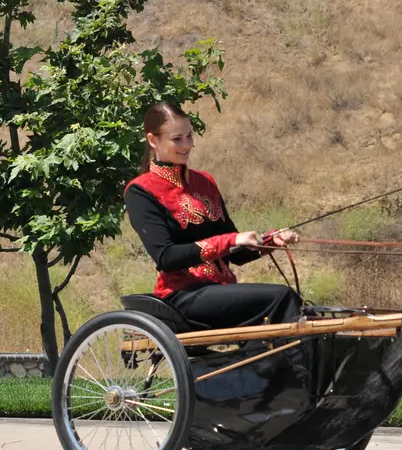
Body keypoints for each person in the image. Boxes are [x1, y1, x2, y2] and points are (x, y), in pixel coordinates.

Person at [124, 101, 304, 329]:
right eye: (177, 139)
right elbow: (166, 257)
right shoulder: (141, 191)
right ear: (153, 140)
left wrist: (270, 241)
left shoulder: (205, 182)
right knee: (282, 297)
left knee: (305, 309)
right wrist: (230, 240)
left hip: (220, 290)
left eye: (189, 136)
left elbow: (236, 254)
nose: (186, 145)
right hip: (182, 297)